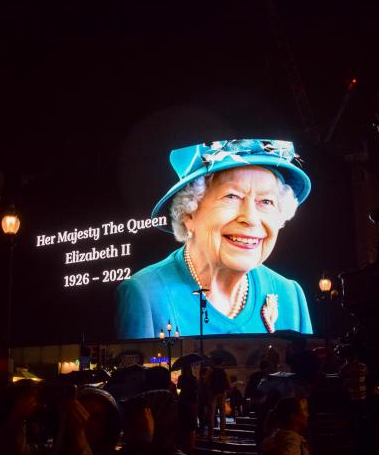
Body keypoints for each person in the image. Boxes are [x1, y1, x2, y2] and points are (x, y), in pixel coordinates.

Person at [116, 139, 314, 339]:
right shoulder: (145, 295)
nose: (251, 218)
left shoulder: (290, 296)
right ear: (189, 214)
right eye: (232, 196)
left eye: (266, 201)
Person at [205, 357, 230, 438]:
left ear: (214, 362)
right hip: (222, 393)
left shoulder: (210, 370)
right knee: (222, 414)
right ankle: (222, 434)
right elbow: (228, 383)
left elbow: (205, 381)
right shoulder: (224, 371)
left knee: (211, 414)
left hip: (212, 393)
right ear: (221, 362)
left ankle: (210, 434)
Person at [176, 363, 198, 452]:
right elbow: (196, 388)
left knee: (183, 420)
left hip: (183, 399)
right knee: (192, 420)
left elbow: (179, 386)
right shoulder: (193, 378)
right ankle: (191, 443)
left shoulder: (181, 377)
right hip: (192, 399)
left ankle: (183, 441)